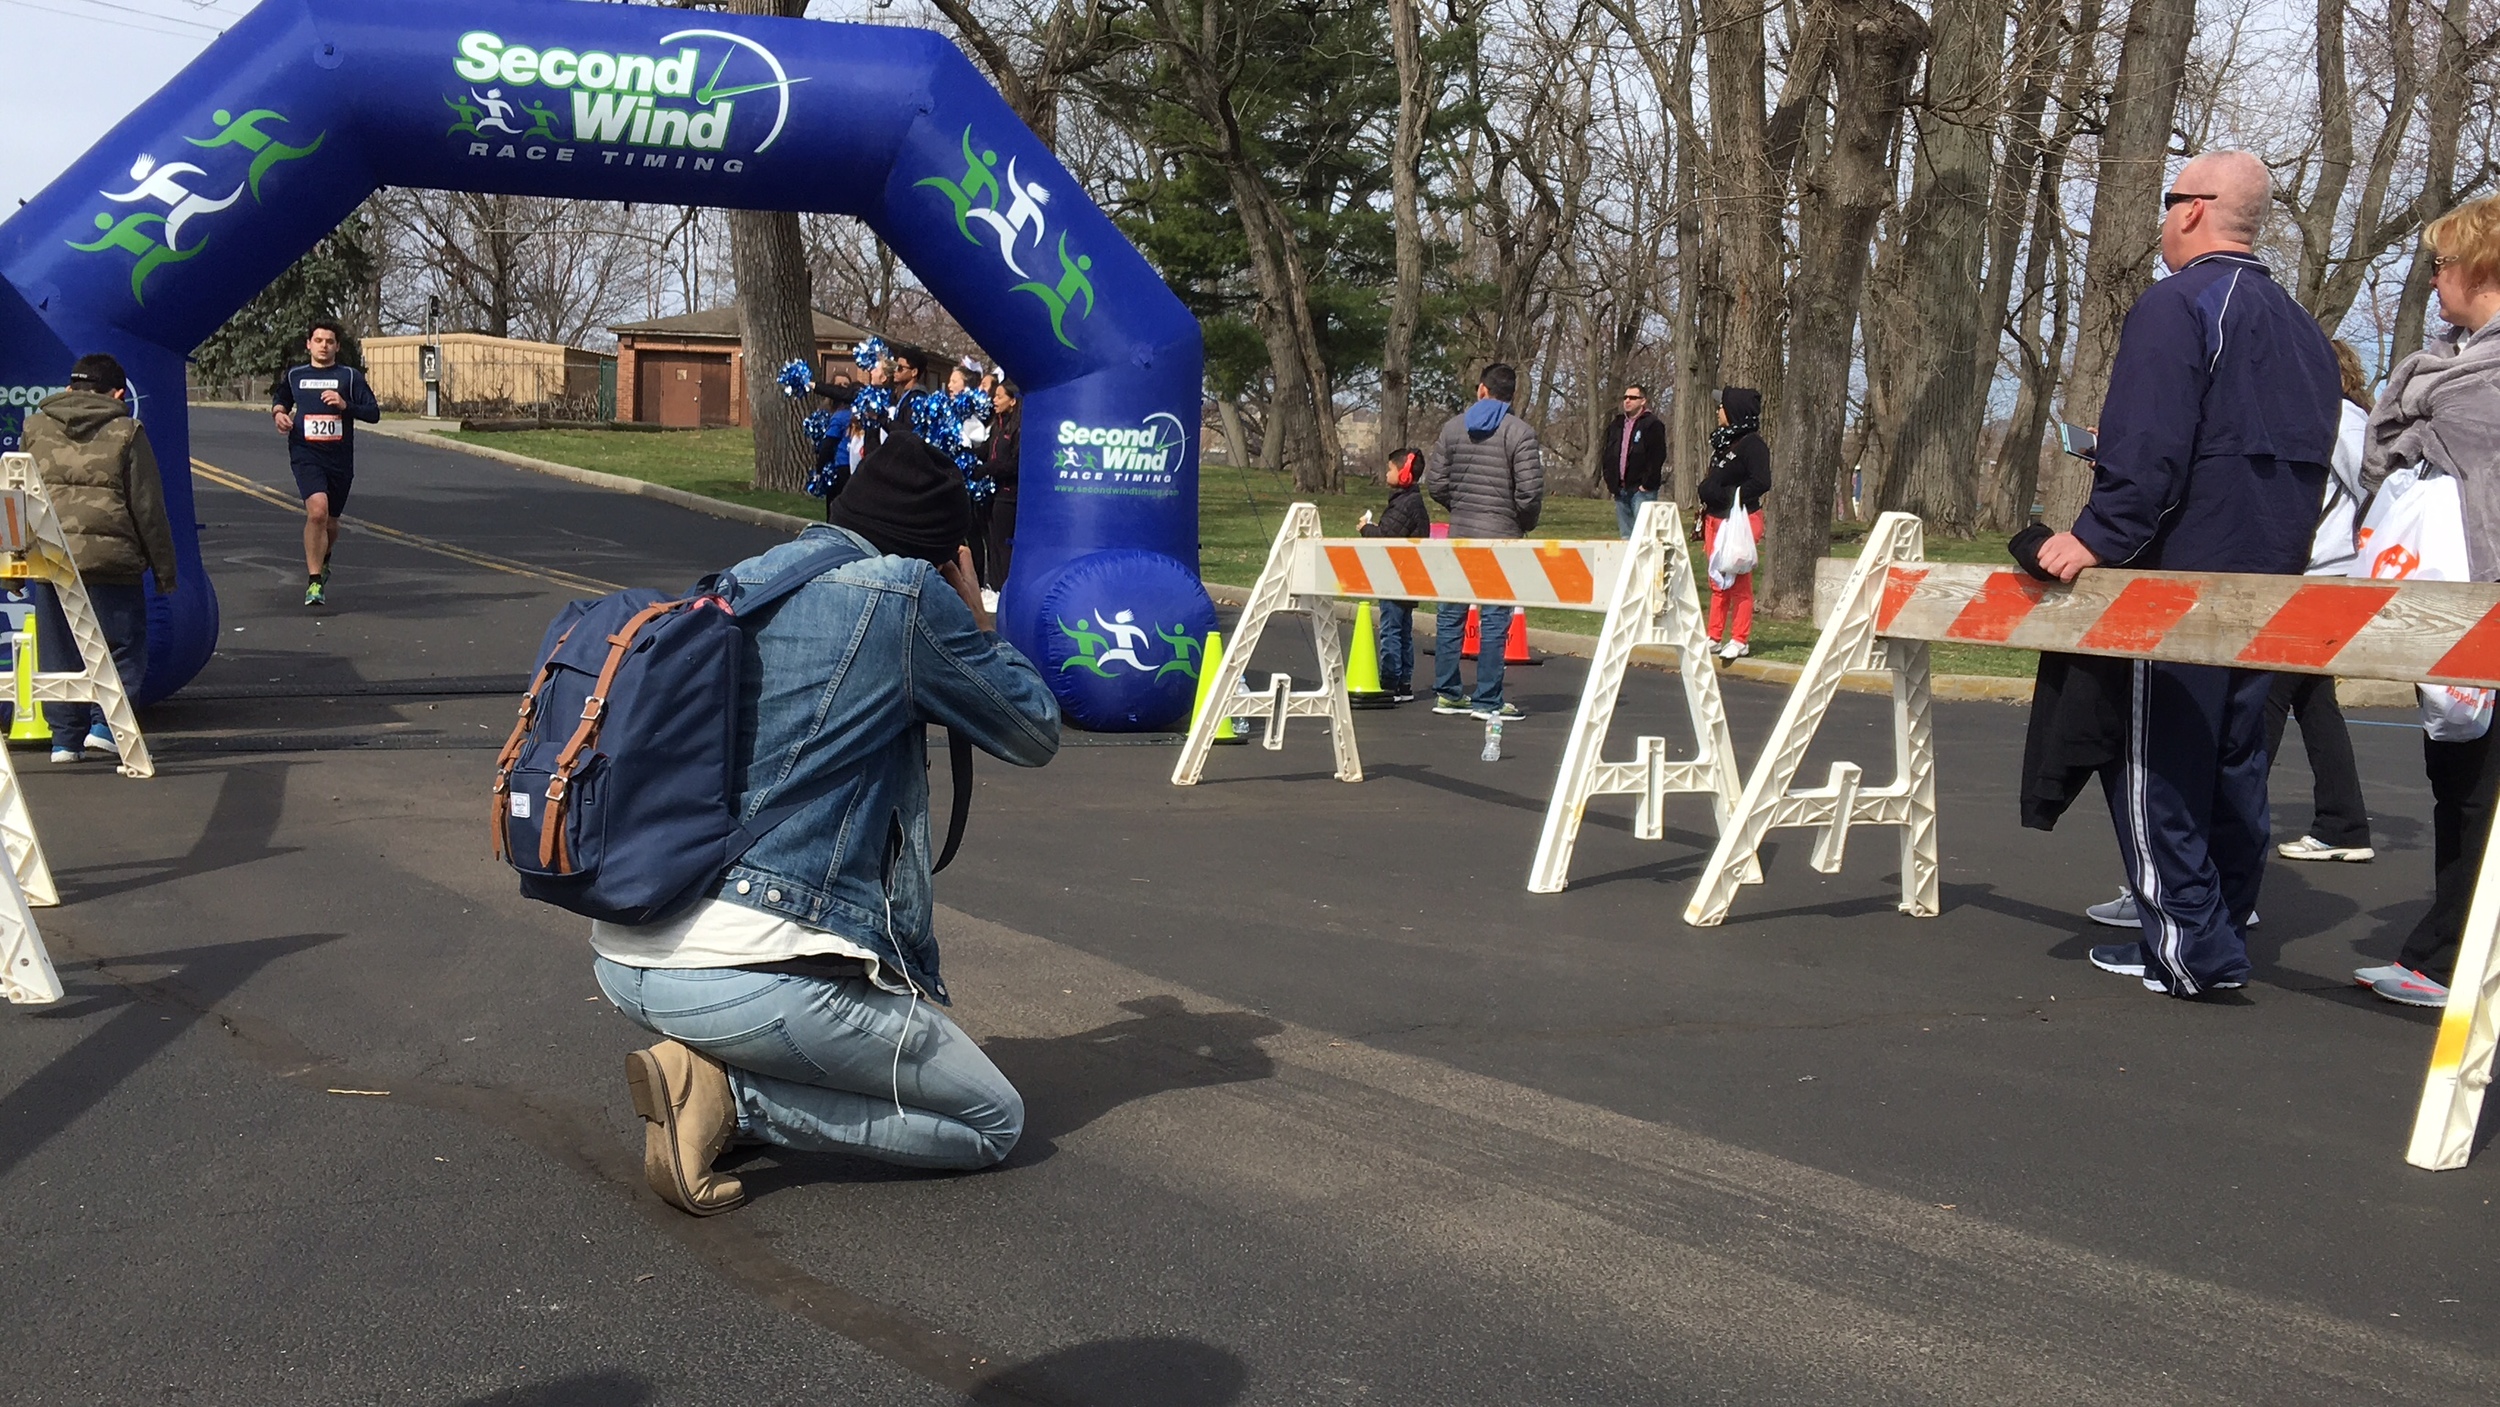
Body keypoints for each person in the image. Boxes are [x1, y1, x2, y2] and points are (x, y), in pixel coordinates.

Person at [593, 432, 1062, 1215]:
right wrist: (973, 609)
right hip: (752, 979)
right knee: (993, 1119)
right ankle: (727, 1097)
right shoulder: (904, 596)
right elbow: (1033, 728)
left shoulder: (741, 581)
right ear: (943, 552)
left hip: (625, 955)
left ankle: (716, 1068)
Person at [2033, 150, 2340, 999]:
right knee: (2234, 758)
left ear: (2197, 210)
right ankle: (2221, 917)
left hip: (2178, 582)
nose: (2162, 218)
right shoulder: (2302, 327)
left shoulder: (2178, 305)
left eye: (2169, 202)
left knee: (2157, 761)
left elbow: (2155, 443)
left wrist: (2099, 532)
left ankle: (2186, 945)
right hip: (2269, 576)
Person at [2350, 194, 2500, 1009]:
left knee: (2475, 778)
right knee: (2458, 770)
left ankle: (2449, 955)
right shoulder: (2445, 357)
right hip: (2443, 586)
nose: (2434, 278)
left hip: (2481, 584)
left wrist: (2415, 439)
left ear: (2480, 267)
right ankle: (2452, 945)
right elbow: (2394, 450)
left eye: (2443, 263)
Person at [17, 353, 177, 764]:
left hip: (50, 556)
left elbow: (15, 497)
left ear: (70, 389)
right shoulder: (127, 430)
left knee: (59, 650)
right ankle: (106, 726)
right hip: (111, 558)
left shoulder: (34, 426)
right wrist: (164, 572)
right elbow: (147, 507)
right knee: (121, 644)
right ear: (119, 393)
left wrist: (12, 565)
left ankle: (64, 742)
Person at [2267, 336, 2377, 863]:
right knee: (2314, 704)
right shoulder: (2331, 420)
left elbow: (2378, 488)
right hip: (2317, 577)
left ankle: (2221, 840)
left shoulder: (2341, 423)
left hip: (2319, 580)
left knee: (2261, 703)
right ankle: (2343, 823)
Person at [269, 319, 378, 607]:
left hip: (339, 458)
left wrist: (345, 406)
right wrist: (278, 413)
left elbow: (373, 412)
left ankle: (325, 558)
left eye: (329, 341)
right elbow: (281, 398)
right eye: (318, 340)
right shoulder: (296, 375)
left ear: (337, 347)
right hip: (306, 454)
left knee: (331, 521)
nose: (323, 346)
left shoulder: (349, 377)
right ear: (309, 344)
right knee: (317, 511)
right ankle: (314, 582)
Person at [1699, 387, 1770, 660]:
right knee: (1718, 580)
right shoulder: (1722, 441)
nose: (1718, 411)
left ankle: (1740, 639)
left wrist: (1732, 496)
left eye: (1722, 407)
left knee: (1739, 581)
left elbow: (1762, 481)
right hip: (1715, 519)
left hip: (1740, 522)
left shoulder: (1753, 445)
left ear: (1735, 411)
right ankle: (1714, 635)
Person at [1358, 446, 1430, 704]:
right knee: (1403, 631)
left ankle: (1390, 681)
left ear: (1404, 473)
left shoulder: (1405, 504)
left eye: (1390, 468)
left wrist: (1366, 529)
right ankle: (1404, 682)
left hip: (1396, 577)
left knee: (1391, 630)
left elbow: (1387, 537)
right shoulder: (1410, 503)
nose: (1386, 473)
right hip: (1408, 576)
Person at [1599, 383, 1667, 538]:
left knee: (1645, 537)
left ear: (1643, 401)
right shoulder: (1617, 424)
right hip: (1620, 490)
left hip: (1641, 491)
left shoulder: (1652, 424)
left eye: (1632, 397)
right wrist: (1611, 481)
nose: (1627, 401)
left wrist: (1646, 484)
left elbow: (1657, 456)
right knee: (1626, 538)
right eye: (1625, 397)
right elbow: (1608, 453)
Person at [984, 380, 1022, 596]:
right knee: (993, 541)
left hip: (1010, 493)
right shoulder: (997, 425)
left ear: (1013, 401)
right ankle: (995, 588)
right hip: (994, 491)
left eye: (999, 396)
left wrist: (990, 468)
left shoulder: (1018, 427)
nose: (994, 400)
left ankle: (1006, 590)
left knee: (1004, 543)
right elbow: (988, 451)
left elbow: (1014, 463)